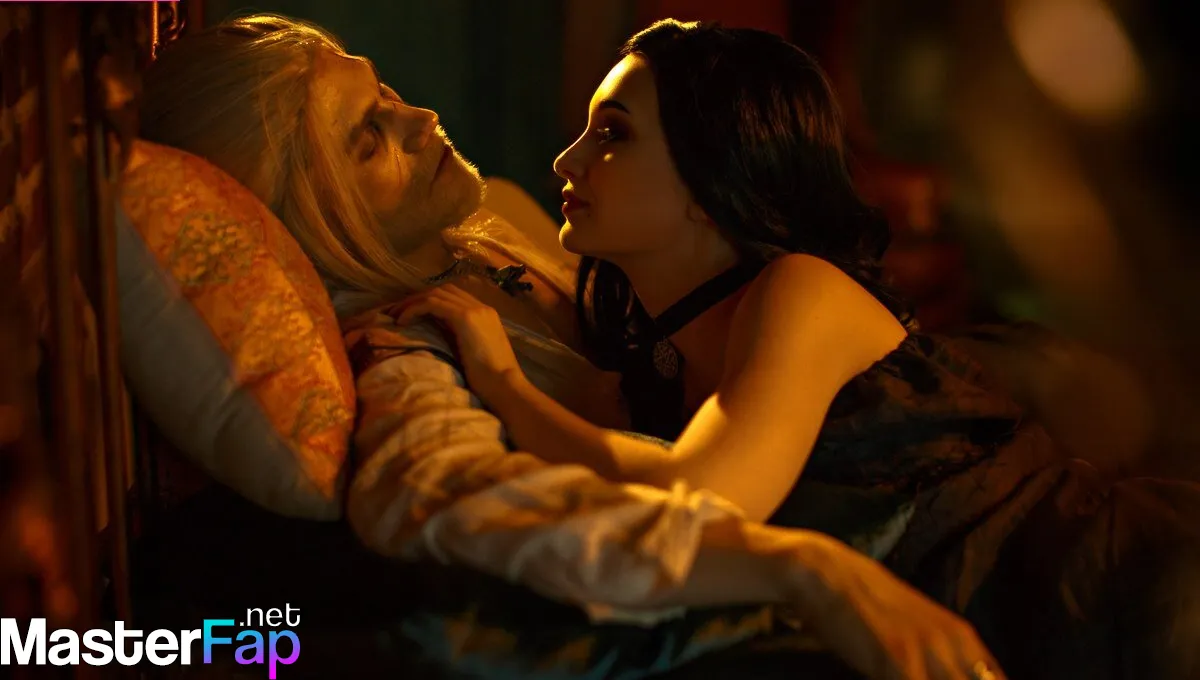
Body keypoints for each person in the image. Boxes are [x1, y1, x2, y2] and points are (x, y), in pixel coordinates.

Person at [138, 13, 1006, 680]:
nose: (424, 118)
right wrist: (799, 570)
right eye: (369, 139)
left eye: (389, 95)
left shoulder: (500, 227)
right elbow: (446, 492)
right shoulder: (412, 342)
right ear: (311, 214)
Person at [395, 18, 1200, 680]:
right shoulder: (656, 340)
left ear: (710, 176)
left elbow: (696, 495)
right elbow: (500, 211)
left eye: (612, 134)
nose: (568, 159)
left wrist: (500, 379)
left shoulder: (799, 289)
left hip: (1119, 592)